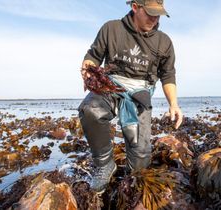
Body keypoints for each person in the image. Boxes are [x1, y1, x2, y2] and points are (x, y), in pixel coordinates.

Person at [78, 0, 183, 194]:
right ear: (135, 7)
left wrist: (174, 104)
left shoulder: (164, 41)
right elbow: (93, 56)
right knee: (90, 110)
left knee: (141, 158)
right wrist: (87, 69)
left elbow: (168, 75)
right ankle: (104, 165)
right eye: (150, 12)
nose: (155, 18)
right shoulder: (112, 28)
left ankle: (129, 185)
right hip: (110, 86)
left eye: (158, 14)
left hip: (140, 94)